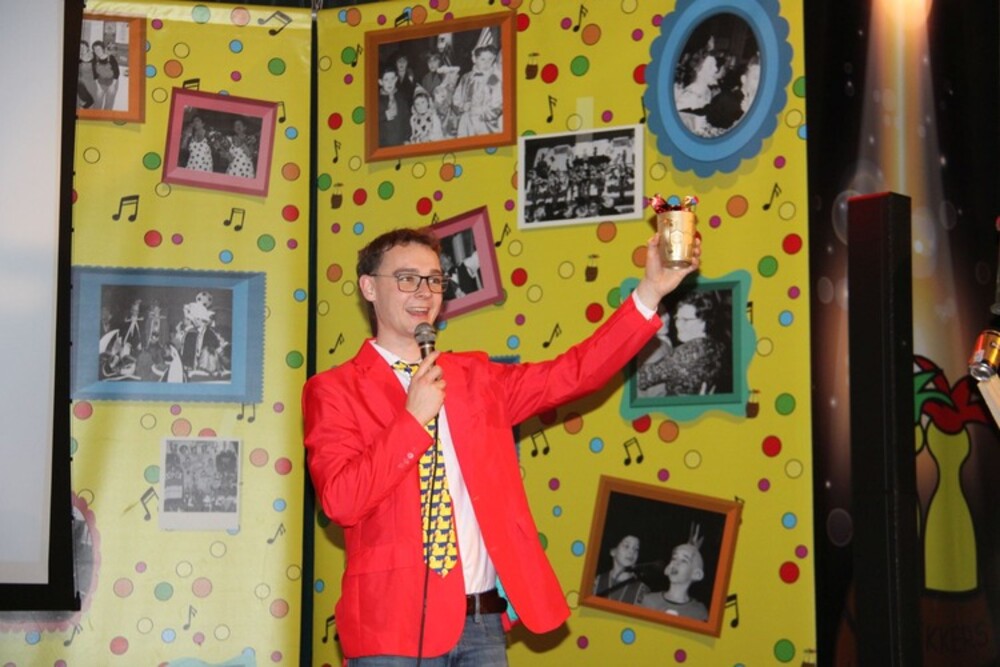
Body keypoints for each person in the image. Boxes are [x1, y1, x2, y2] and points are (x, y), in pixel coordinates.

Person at [302, 226, 700, 664]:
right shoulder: (334, 390)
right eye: (407, 278)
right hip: (391, 629)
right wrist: (412, 419)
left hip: (482, 625)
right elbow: (341, 502)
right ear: (368, 287)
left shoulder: (475, 377)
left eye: (434, 279)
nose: (424, 291)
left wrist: (649, 292)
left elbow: (575, 373)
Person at [636, 291, 728, 396]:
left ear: (704, 322)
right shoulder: (718, 346)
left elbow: (641, 378)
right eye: (677, 318)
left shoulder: (687, 353)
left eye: (685, 320)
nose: (678, 325)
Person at [640, 524, 709, 621]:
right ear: (667, 569)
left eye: (684, 560)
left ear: (696, 574)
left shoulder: (699, 612)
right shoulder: (649, 601)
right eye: (674, 558)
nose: (676, 563)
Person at [452, 45, 503, 137]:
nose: (487, 63)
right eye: (482, 59)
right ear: (474, 59)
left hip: (485, 125)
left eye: (490, 59)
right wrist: (462, 107)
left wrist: (482, 113)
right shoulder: (466, 78)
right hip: (466, 124)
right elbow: (456, 99)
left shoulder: (494, 79)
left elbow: (498, 104)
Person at [593, 535, 650, 605]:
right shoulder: (596, 582)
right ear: (613, 551)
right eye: (626, 546)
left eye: (636, 549)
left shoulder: (642, 590)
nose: (631, 552)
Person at [377, 68, 411, 147]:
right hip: (382, 144)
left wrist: (407, 138)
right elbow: (369, 121)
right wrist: (384, 116)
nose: (390, 83)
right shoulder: (375, 100)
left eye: (392, 79)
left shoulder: (401, 97)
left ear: (396, 79)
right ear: (380, 82)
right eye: (386, 80)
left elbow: (406, 119)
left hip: (400, 142)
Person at [91, 41, 120, 111]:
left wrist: (113, 85)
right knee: (97, 103)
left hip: (113, 81)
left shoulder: (111, 58)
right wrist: (98, 86)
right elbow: (95, 75)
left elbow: (117, 72)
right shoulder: (94, 60)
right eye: (95, 49)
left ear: (103, 48)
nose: (97, 51)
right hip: (100, 82)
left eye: (99, 49)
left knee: (109, 105)